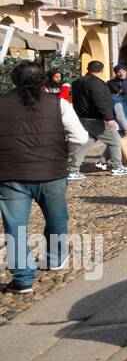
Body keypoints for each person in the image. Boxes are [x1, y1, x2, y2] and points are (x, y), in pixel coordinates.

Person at [0, 61, 88, 294]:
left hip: (10, 173)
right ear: (44, 80)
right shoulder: (59, 104)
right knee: (57, 217)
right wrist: (64, 153)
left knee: (15, 226)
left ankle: (23, 278)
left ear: (14, 80)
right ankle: (55, 257)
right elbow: (80, 137)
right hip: (52, 172)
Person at [68, 61, 127, 179]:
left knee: (86, 142)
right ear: (102, 70)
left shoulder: (77, 82)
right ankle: (117, 167)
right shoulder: (97, 83)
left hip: (82, 117)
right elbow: (100, 101)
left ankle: (73, 169)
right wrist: (109, 117)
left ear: (87, 69)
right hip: (96, 118)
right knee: (115, 141)